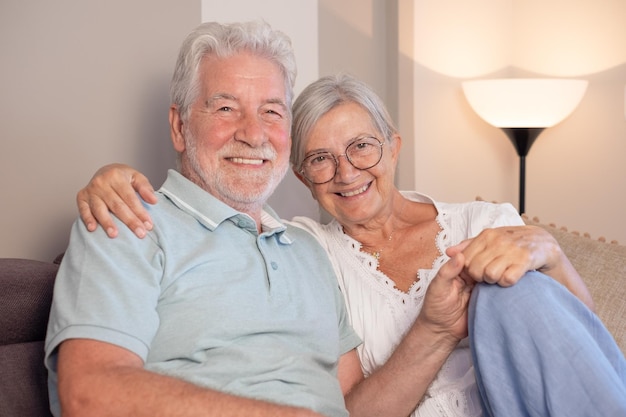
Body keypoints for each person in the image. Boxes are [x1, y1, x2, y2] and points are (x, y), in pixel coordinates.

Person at [74, 50, 626, 417]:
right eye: (321, 158)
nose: (346, 172)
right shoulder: (307, 252)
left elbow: (579, 347)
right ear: (301, 175)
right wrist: (111, 178)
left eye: (362, 146)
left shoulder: (482, 223)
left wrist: (549, 253)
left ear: (395, 146)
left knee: (511, 293)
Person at [46, 20, 486, 417]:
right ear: (179, 127)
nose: (253, 133)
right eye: (225, 108)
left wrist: (435, 329)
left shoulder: (309, 251)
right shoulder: (126, 223)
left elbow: (357, 409)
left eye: (271, 111)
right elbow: (88, 394)